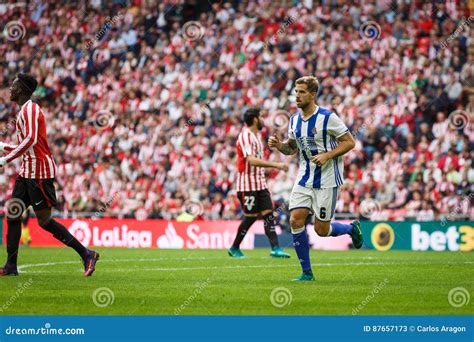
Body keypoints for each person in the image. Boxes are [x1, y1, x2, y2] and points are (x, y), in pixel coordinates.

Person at [0, 73, 99, 277]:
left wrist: (5, 159)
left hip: (39, 172)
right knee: (13, 214)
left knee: (44, 221)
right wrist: (3, 147)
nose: (10, 88)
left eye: (14, 85)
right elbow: (26, 145)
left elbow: (31, 140)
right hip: (27, 170)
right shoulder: (23, 111)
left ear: (23, 90)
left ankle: (87, 254)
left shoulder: (31, 109)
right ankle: (11, 266)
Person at [269, 76, 363, 281]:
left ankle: (350, 228)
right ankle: (306, 272)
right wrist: (279, 145)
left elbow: (350, 142)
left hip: (327, 179)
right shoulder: (294, 120)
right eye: (296, 92)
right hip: (304, 177)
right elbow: (291, 148)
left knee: (321, 230)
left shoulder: (328, 118)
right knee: (295, 219)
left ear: (312, 94)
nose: (297, 96)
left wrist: (327, 155)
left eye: (301, 92)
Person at [229, 108, 291, 258]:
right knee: (250, 217)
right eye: (261, 116)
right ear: (255, 119)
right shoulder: (245, 136)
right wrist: (276, 165)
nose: (263, 119)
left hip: (260, 183)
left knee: (268, 215)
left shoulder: (255, 136)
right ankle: (235, 247)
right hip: (247, 184)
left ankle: (275, 248)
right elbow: (250, 160)